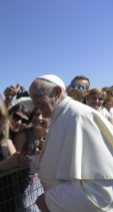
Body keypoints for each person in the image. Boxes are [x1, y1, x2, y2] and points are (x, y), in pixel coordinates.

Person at [29, 74, 113, 212]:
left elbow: (102, 190)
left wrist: (49, 201)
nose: (33, 103)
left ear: (57, 92)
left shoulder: (80, 116)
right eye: (32, 98)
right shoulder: (59, 115)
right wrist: (30, 162)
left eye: (37, 96)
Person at [13, 107, 49, 211]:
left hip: (43, 184)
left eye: (44, 115)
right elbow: (16, 159)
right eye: (36, 114)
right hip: (25, 185)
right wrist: (39, 152)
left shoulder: (50, 134)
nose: (39, 118)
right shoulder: (23, 135)